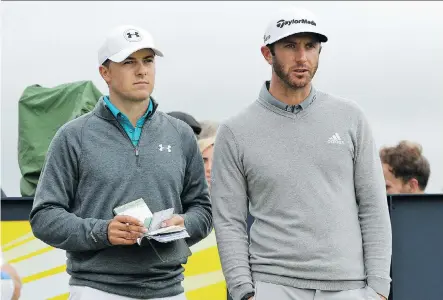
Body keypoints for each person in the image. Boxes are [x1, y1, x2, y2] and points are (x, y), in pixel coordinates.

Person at [211, 7, 392, 300]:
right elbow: (228, 220)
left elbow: (373, 205)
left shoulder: (350, 117)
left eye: (310, 46)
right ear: (267, 53)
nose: (302, 57)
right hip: (272, 285)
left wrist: (379, 288)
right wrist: (243, 292)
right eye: (290, 46)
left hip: (349, 287)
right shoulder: (234, 131)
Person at [29, 24, 212, 300]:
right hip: (96, 290)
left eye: (148, 60)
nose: (142, 70)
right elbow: (44, 216)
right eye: (128, 62)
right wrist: (103, 231)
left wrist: (182, 224)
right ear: (105, 73)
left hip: (169, 291)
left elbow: (203, 210)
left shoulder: (181, 134)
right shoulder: (73, 136)